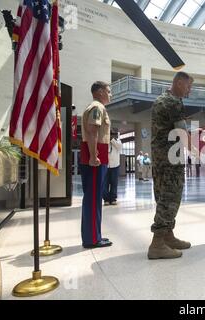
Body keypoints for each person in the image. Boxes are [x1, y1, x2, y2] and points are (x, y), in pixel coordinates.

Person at [148, 72, 194, 260]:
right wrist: (198, 149)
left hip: (161, 157)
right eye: (188, 86)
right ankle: (157, 244)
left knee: (163, 195)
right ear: (179, 82)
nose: (190, 90)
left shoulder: (160, 99)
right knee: (170, 196)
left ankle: (167, 235)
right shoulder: (173, 102)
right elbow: (182, 133)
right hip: (170, 159)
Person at [80, 81, 112, 249]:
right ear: (99, 92)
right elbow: (93, 131)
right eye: (108, 91)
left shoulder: (95, 107)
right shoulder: (97, 107)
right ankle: (92, 239)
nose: (110, 94)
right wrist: (94, 156)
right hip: (95, 158)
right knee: (93, 199)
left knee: (93, 198)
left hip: (96, 156)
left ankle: (93, 235)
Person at [103, 130, 122, 205]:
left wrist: (112, 140)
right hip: (106, 165)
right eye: (110, 134)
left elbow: (119, 147)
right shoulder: (105, 141)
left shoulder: (118, 142)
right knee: (105, 183)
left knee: (114, 183)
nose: (112, 135)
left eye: (113, 134)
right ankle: (106, 199)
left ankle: (113, 198)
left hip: (115, 166)